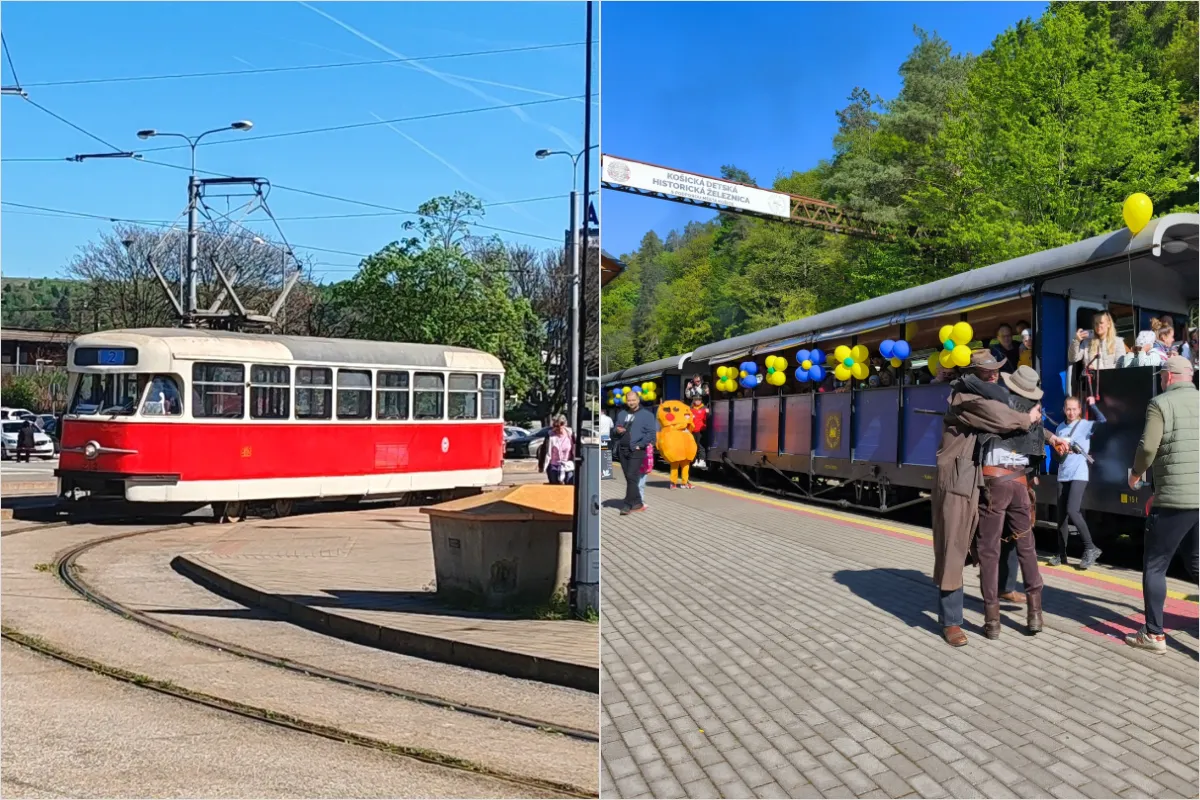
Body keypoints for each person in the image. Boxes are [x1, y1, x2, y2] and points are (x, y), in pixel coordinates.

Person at [932, 352, 1045, 647]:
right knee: (954, 548)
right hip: (960, 480)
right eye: (987, 371)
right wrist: (1028, 418)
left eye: (996, 369)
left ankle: (1005, 592)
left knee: (1006, 539)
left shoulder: (990, 395)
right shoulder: (964, 396)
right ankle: (951, 622)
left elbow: (1011, 419)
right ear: (972, 373)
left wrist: (1050, 436)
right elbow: (1000, 418)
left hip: (982, 480)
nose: (994, 374)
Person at [1126, 355, 1199, 653]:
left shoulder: (1160, 404)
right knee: (1196, 562)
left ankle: (1154, 634)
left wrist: (1135, 474)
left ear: (1168, 377)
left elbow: (1148, 447)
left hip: (1173, 500)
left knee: (1155, 565)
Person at [1049, 396, 1106, 569]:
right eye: (1068, 409)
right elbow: (1057, 454)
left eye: (1074, 409)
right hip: (1063, 474)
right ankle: (1061, 554)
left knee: (1073, 511)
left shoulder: (1084, 425)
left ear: (1079, 410)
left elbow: (1102, 421)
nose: (1071, 412)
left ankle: (1090, 548)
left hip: (1079, 474)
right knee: (1061, 518)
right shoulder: (1060, 428)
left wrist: (1093, 406)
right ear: (1064, 409)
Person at [613, 391, 656, 515]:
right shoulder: (622, 414)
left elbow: (651, 434)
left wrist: (640, 445)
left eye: (633, 400)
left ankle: (627, 504)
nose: (631, 403)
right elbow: (615, 430)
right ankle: (638, 502)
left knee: (632, 476)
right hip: (623, 450)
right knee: (630, 478)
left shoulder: (647, 415)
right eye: (629, 400)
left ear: (638, 400)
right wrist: (617, 430)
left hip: (637, 450)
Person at [542, 415, 575, 485]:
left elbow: (578, 448)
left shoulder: (571, 435)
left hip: (568, 465)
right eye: (555, 425)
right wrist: (541, 466)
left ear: (564, 424)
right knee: (555, 487)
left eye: (560, 425)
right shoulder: (550, 436)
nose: (557, 428)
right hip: (554, 465)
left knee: (569, 484)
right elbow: (544, 451)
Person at [689, 397, 708, 469]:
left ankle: (702, 460)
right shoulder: (691, 409)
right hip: (693, 430)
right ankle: (697, 459)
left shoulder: (704, 409)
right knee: (695, 446)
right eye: (696, 400)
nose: (697, 401)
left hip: (700, 430)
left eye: (699, 400)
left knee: (700, 445)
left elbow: (707, 418)